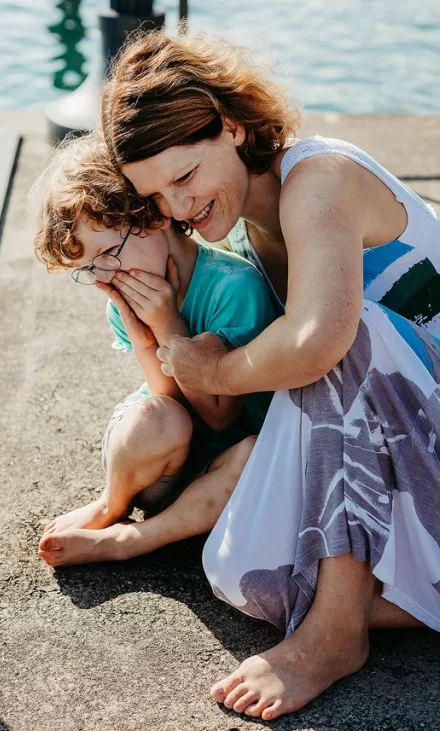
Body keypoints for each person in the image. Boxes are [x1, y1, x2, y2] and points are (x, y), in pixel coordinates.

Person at [101, 31, 440, 721]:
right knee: (241, 573)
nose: (178, 208)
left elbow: (318, 345)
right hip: (414, 445)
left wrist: (216, 363)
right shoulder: (255, 235)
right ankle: (399, 596)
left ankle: (335, 634)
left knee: (337, 331)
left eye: (185, 175)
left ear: (231, 126)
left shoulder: (318, 180)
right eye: (157, 195)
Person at [31, 134, 271, 567]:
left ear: (153, 217)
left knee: (257, 458)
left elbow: (219, 415)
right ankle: (112, 502)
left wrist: (166, 325)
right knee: (154, 417)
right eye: (88, 268)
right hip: (155, 460)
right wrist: (142, 335)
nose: (106, 275)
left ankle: (134, 539)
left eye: (109, 252)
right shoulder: (119, 301)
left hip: (223, 461)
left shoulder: (234, 287)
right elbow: (168, 400)